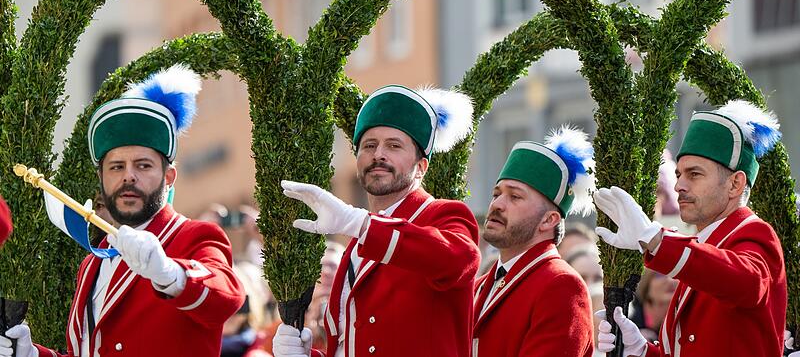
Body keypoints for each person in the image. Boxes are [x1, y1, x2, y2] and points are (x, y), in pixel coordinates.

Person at [0, 64, 245, 356]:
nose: (129, 176)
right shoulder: (93, 261)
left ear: (169, 177)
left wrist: (170, 273)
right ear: (101, 179)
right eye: (116, 167)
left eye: (143, 165)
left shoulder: (195, 236)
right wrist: (31, 354)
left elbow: (227, 296)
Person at [273, 84, 481, 357]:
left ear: (421, 167)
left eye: (394, 145)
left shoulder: (443, 215)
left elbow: (461, 258)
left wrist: (361, 224)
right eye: (369, 145)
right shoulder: (358, 239)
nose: (378, 154)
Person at [595, 100, 787, 357]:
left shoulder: (754, 233)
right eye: (678, 175)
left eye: (694, 174)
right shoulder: (700, 251)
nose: (679, 186)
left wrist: (657, 239)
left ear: (735, 184)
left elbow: (747, 283)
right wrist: (640, 350)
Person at [472, 126, 595, 357]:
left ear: (549, 220)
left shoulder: (562, 285)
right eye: (496, 194)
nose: (497, 204)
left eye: (515, 196)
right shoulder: (479, 285)